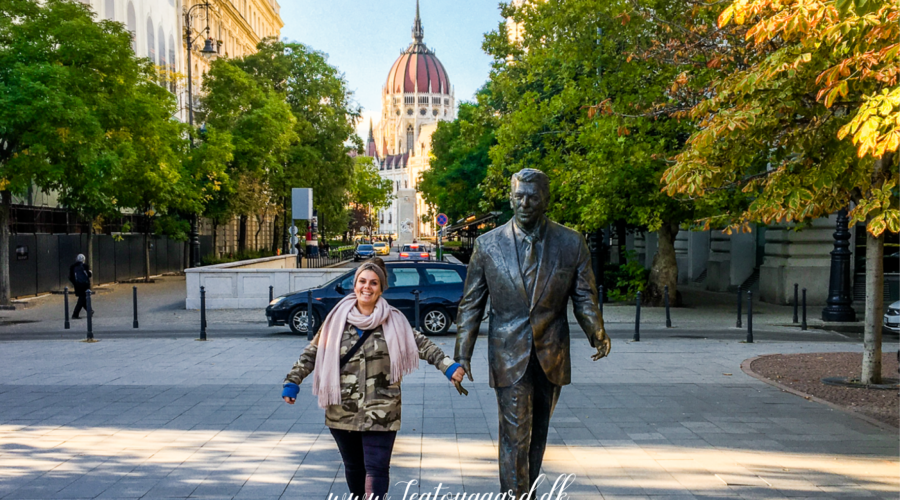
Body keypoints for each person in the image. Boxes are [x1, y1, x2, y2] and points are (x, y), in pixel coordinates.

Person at [455, 168, 612, 497]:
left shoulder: (571, 242)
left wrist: (596, 330)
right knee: (516, 433)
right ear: (511, 198)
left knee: (537, 433)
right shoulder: (487, 245)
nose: (525, 203)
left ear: (546, 200)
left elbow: (584, 295)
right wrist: (462, 355)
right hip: (507, 353)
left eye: (533, 197)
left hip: (551, 352)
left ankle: (525, 491)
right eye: (519, 196)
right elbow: (471, 304)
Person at [282, 258, 466, 500]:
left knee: (377, 469)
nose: (366, 287)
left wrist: (448, 366)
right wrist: (293, 381)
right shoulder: (335, 320)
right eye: (362, 281)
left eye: (373, 283)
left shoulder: (395, 320)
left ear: (381, 288)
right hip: (342, 408)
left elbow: (423, 345)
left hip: (383, 409)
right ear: (355, 284)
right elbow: (312, 353)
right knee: (355, 468)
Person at [68, 254, 93, 319]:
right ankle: (75, 314)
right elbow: (89, 275)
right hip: (85, 285)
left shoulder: (72, 267)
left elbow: (70, 277)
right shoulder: (85, 266)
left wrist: (75, 283)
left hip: (77, 285)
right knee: (82, 299)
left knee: (82, 298)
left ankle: (89, 310)